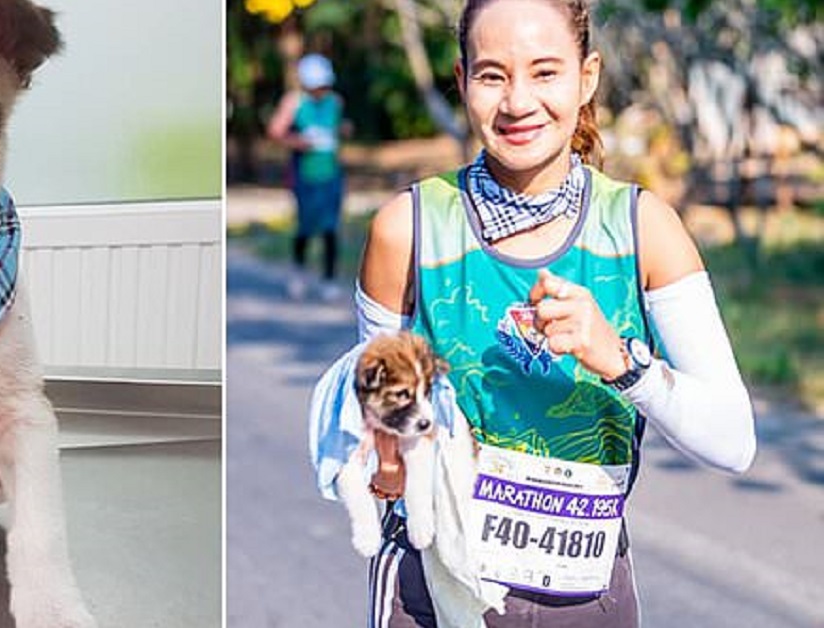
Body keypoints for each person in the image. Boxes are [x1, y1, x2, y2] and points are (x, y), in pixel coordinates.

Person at [313, 0, 758, 625]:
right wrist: (385, 459)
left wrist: (621, 362)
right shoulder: (408, 230)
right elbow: (370, 428)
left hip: (588, 596)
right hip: (435, 592)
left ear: (588, 76)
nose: (518, 102)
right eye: (492, 75)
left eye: (545, 72)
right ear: (463, 80)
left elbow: (734, 442)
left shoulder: (641, 229)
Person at [268, 53, 348, 301]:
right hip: (305, 174)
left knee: (331, 227)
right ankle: (299, 273)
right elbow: (275, 131)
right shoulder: (294, 102)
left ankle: (329, 279)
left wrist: (345, 129)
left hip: (331, 173)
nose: (319, 90)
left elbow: (339, 128)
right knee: (305, 226)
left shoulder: (335, 102)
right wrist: (297, 142)